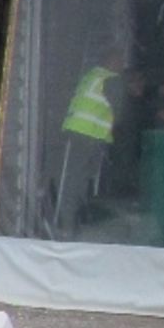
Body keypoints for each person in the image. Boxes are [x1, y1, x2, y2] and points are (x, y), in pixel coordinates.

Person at [52, 47, 126, 238]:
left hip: (78, 132)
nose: (122, 65)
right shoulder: (110, 79)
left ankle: (71, 220)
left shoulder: (92, 75)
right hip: (89, 134)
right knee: (77, 179)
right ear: (111, 61)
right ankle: (70, 223)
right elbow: (119, 111)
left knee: (74, 177)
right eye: (120, 60)